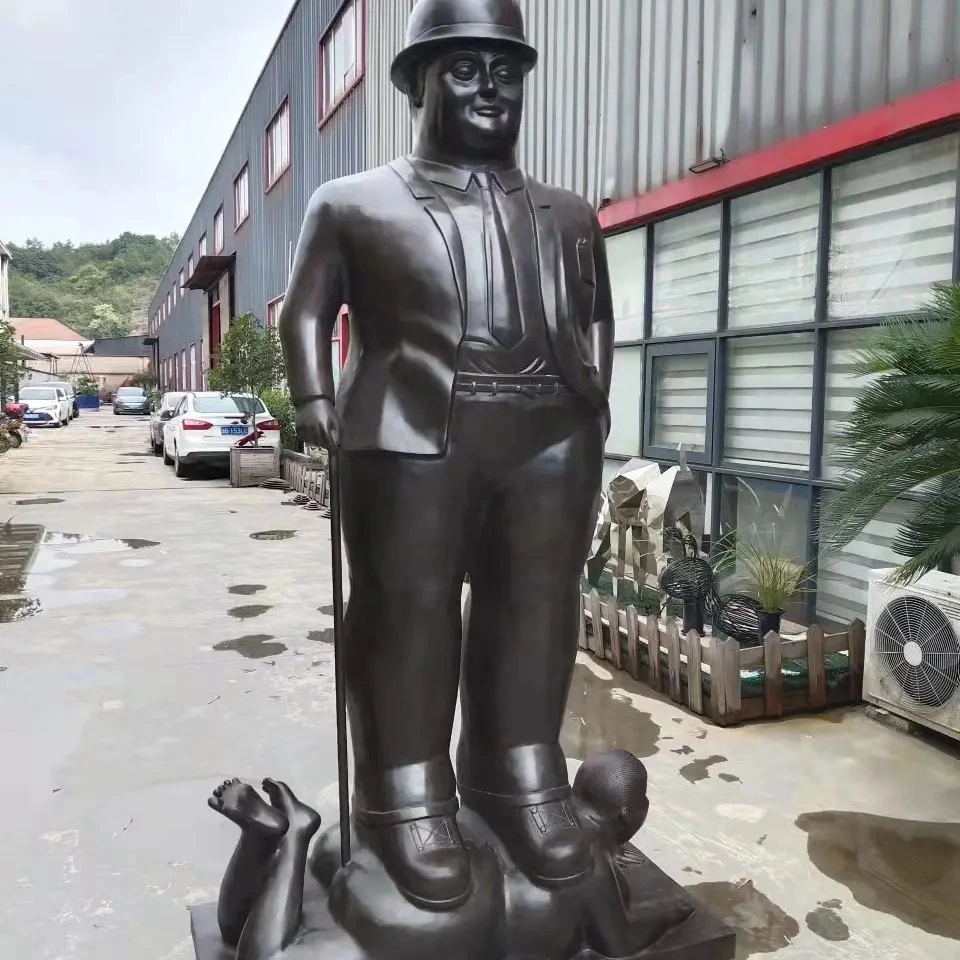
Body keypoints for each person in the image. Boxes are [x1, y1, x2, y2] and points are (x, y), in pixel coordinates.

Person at [279, 0, 614, 913]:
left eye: (506, 70)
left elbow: (597, 319)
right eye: (464, 67)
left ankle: (518, 773)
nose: (489, 87)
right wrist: (316, 401)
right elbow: (305, 310)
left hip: (550, 436)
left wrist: (593, 406)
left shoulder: (570, 213)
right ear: (418, 82)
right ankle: (405, 791)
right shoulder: (351, 203)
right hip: (409, 436)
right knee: (408, 612)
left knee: (537, 608)